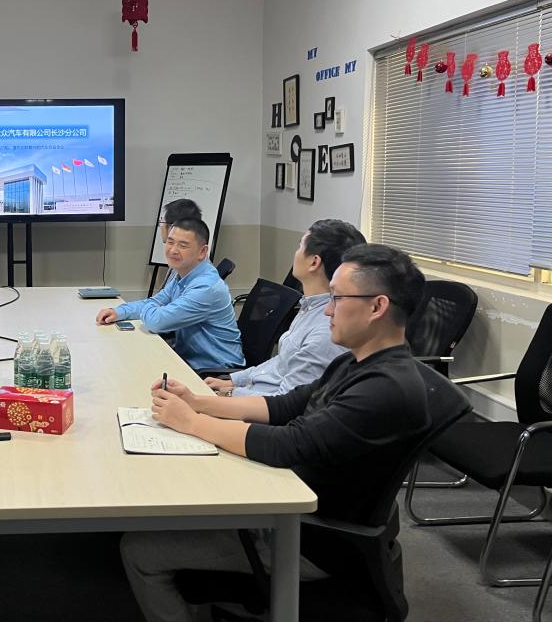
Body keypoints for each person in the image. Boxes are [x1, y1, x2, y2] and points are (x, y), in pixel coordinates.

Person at [120, 244, 432, 622]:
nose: (327, 310)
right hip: (294, 502)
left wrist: (190, 422)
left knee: (140, 551)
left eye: (337, 298)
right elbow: (283, 406)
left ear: (377, 307)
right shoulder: (360, 362)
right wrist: (199, 402)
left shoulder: (383, 389)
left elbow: (289, 444)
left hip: (309, 538)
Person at [203, 219, 365, 397]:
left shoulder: (326, 330)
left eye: (300, 247)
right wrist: (234, 381)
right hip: (251, 395)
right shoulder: (309, 306)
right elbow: (282, 362)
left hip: (260, 408)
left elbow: (285, 402)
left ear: (314, 262)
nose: (295, 254)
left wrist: (230, 394)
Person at [97, 218, 243, 372]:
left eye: (183, 245)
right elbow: (156, 302)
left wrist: (154, 309)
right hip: (187, 360)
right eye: (170, 242)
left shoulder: (206, 288)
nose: (173, 250)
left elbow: (156, 322)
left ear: (202, 252)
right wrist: (119, 312)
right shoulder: (183, 273)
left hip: (215, 371)